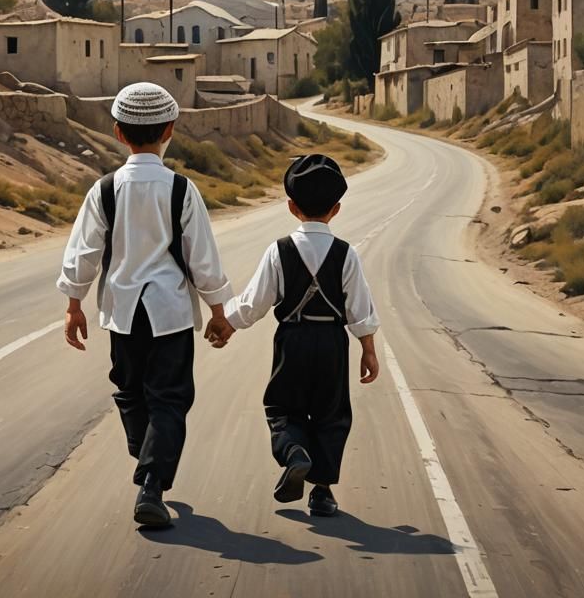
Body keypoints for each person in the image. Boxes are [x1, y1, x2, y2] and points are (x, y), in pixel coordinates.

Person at [57, 82, 235, 529]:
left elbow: (83, 253)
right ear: (170, 130)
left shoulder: (104, 190)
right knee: (170, 399)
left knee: (129, 390)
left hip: (121, 313)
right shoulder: (181, 189)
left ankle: (148, 460)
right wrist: (218, 309)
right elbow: (202, 257)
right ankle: (152, 477)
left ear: (118, 133)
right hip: (170, 313)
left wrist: (74, 303)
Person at [218, 153, 380, 517]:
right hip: (332, 344)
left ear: (291, 207)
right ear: (336, 209)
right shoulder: (346, 254)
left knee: (282, 407)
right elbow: (360, 308)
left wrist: (227, 324)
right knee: (331, 413)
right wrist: (368, 350)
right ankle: (321, 492)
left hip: (292, 340)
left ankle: (294, 452)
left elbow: (254, 302)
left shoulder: (279, 251)